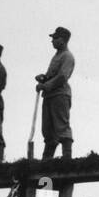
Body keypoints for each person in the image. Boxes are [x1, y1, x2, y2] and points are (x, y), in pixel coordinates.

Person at [36, 27, 75, 159]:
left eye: (55, 38)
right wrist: (44, 78)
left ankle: (66, 157)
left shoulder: (67, 56)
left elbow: (63, 76)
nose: (52, 41)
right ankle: (47, 158)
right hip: (50, 95)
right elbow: (53, 74)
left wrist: (46, 85)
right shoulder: (57, 56)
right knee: (48, 129)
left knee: (61, 126)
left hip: (60, 95)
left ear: (63, 40)